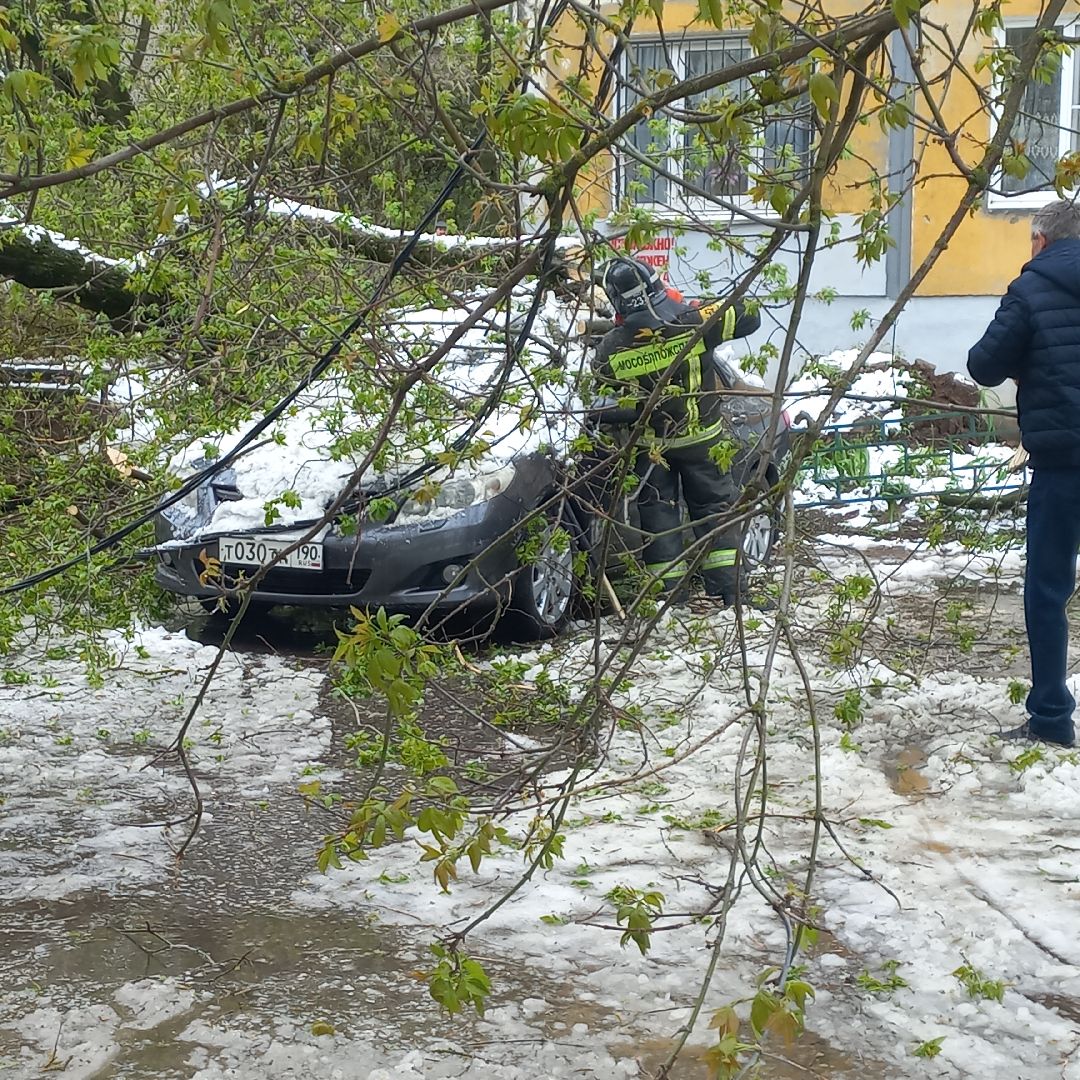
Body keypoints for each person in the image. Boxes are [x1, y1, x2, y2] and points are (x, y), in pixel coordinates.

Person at [968, 198, 1080, 749]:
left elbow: (984, 364)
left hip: (1063, 465)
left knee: (1048, 590)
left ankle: (1052, 719)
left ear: (1040, 241)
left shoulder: (1030, 291)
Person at [590, 256, 763, 607]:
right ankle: (730, 591)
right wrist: (698, 307)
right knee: (715, 509)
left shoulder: (613, 346)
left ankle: (668, 597)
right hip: (704, 439)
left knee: (658, 517)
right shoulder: (693, 322)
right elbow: (751, 313)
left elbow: (602, 395)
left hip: (653, 448)